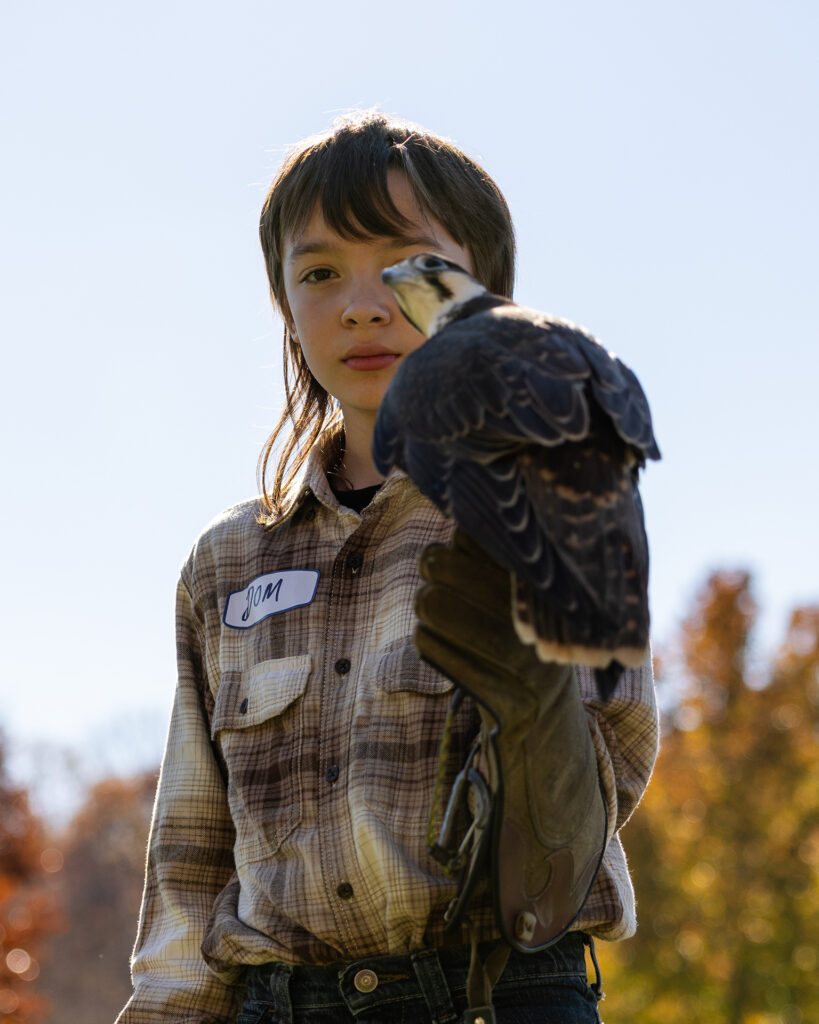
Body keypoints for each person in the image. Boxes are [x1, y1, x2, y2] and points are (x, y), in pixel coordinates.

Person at [116, 111, 659, 1024]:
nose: (363, 305)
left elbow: (609, 772)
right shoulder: (227, 562)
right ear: (285, 305)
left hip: (500, 994)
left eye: (410, 266)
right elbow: (189, 866)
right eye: (320, 273)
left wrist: (538, 724)